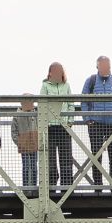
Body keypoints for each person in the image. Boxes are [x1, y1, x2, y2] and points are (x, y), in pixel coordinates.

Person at [81, 55, 112, 189]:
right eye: (103, 66)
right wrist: (87, 119)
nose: (107, 69)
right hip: (95, 124)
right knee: (96, 156)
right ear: (97, 67)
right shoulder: (90, 81)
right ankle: (98, 186)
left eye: (108, 66)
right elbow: (83, 100)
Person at [40, 62, 75, 193]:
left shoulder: (66, 85)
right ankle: (51, 189)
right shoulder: (45, 86)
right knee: (50, 160)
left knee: (66, 158)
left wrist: (70, 121)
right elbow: (42, 104)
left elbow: (71, 105)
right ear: (49, 73)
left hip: (64, 127)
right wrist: (45, 122)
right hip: (50, 127)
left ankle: (67, 188)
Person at [13, 96, 39, 196]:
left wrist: (39, 141)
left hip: (35, 144)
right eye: (31, 102)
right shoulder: (17, 115)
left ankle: (33, 188)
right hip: (24, 145)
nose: (33, 104)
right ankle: (26, 188)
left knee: (34, 166)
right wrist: (20, 142)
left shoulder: (37, 113)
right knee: (26, 166)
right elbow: (14, 132)